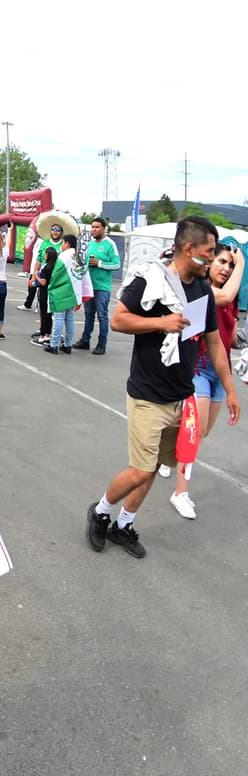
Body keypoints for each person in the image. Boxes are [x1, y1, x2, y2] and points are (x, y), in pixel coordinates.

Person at [87, 217, 240, 559]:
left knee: (154, 468)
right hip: (147, 395)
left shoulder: (201, 290)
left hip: (180, 395)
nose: (212, 258)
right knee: (140, 469)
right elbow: (118, 319)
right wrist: (161, 322)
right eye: (209, 252)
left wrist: (230, 389)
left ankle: (124, 524)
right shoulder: (151, 279)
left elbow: (214, 343)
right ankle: (100, 511)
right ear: (189, 249)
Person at [168, 242, 243, 518]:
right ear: (210, 263)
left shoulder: (231, 299)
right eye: (222, 262)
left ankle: (169, 451)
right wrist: (243, 263)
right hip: (197, 367)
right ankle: (180, 492)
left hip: (219, 372)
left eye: (231, 265)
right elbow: (225, 295)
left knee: (202, 432)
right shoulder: (203, 291)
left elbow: (229, 338)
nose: (226, 268)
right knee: (194, 432)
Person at [73, 217, 121, 354]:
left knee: (102, 316)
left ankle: (102, 344)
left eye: (97, 227)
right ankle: (85, 340)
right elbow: (87, 263)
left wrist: (99, 263)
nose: (94, 229)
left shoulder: (110, 244)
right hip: (89, 286)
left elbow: (116, 264)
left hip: (102, 287)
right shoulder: (90, 244)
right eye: (92, 227)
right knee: (88, 315)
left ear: (103, 228)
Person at [44, 234, 84, 355]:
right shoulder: (76, 256)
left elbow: (55, 274)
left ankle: (54, 345)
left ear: (67, 243)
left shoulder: (63, 257)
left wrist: (51, 285)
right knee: (70, 319)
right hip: (73, 292)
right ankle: (68, 345)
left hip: (61, 291)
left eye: (62, 243)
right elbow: (82, 272)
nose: (61, 245)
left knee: (59, 319)